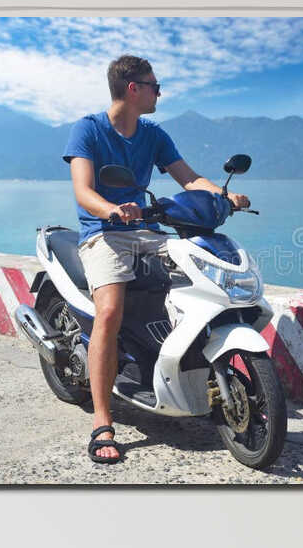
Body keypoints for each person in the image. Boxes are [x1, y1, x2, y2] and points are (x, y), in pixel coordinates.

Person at [62, 56, 249, 464]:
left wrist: (223, 195)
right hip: (104, 234)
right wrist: (111, 210)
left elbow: (188, 178)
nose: (159, 92)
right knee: (109, 311)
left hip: (146, 232)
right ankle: (101, 420)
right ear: (133, 87)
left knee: (199, 277)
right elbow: (83, 191)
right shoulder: (88, 130)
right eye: (154, 85)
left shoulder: (153, 134)